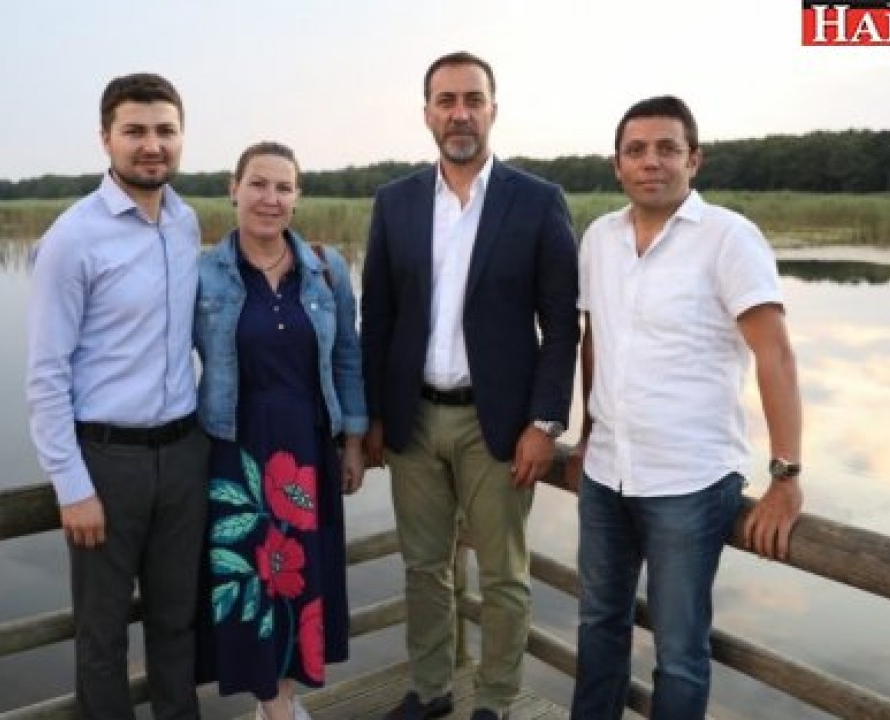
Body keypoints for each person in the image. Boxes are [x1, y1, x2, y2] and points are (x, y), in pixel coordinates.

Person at [570, 95, 805, 720]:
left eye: (667, 149)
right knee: (598, 624)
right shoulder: (599, 238)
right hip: (606, 473)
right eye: (636, 150)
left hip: (690, 482)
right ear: (617, 164)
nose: (651, 162)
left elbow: (775, 355)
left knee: (678, 652)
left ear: (693, 160)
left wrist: (785, 476)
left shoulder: (729, 238)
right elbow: (596, 341)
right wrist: (588, 434)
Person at [361, 51, 580, 720]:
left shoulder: (537, 201)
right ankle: (431, 690)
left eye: (472, 100)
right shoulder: (394, 201)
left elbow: (561, 326)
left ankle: (495, 699)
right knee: (424, 567)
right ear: (427, 113)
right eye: (446, 100)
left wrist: (544, 423)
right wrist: (374, 416)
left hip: (500, 425)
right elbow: (378, 317)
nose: (460, 113)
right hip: (412, 420)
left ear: (493, 110)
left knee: (505, 574)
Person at [26, 72, 208, 720]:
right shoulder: (72, 237)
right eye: (134, 131)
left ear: (181, 137)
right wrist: (71, 486)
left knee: (177, 621)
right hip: (107, 463)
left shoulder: (186, 222)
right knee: (102, 636)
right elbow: (46, 374)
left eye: (165, 130)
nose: (151, 145)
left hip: (184, 454)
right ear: (106, 138)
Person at [193, 141, 368, 720]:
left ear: (297, 197)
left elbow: (347, 357)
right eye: (258, 184)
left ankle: (283, 700)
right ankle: (276, 707)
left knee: (300, 574)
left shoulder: (326, 267)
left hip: (308, 446)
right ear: (233, 189)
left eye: (283, 187)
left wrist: (352, 441)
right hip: (235, 448)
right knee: (248, 575)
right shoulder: (202, 273)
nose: (270, 198)